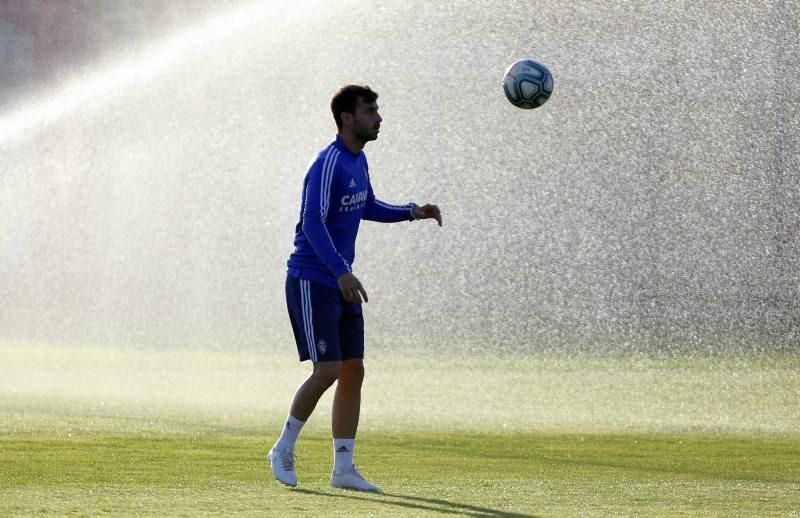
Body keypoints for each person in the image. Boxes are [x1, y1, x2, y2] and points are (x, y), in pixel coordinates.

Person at [267, 85, 442, 491]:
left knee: (352, 370)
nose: (378, 118)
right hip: (313, 280)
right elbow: (312, 224)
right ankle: (282, 448)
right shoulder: (327, 163)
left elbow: (367, 205)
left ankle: (343, 470)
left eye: (377, 110)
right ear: (348, 117)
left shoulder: (358, 162)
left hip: (340, 281)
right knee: (327, 370)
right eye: (370, 110)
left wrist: (412, 212)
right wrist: (342, 272)